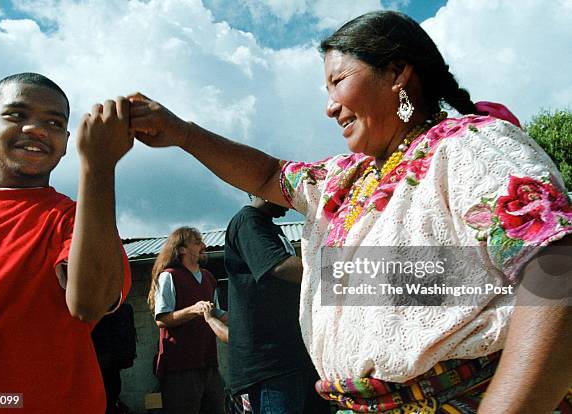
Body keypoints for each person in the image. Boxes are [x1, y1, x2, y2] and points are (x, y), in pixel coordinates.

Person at [128, 10, 571, 413]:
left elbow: (558, 269)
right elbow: (266, 175)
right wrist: (180, 132)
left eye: (338, 81)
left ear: (397, 72)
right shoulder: (344, 181)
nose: (329, 106)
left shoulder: (469, 146)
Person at [0, 73, 132, 413]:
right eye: (17, 115)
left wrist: (98, 166)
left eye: (53, 122)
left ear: (67, 142)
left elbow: (89, 303)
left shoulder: (75, 220)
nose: (36, 129)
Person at [223, 195, 330, 414]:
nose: (290, 206)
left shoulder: (270, 227)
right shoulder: (247, 221)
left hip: (292, 357)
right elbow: (280, 266)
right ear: (262, 191)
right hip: (270, 363)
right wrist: (337, 274)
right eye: (285, 197)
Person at [147, 226, 226, 414]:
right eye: (196, 242)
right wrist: (193, 310)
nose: (203, 245)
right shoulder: (170, 276)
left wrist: (243, 318)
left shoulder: (208, 277)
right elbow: (162, 319)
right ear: (182, 249)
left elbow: (216, 313)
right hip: (180, 367)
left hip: (209, 363)